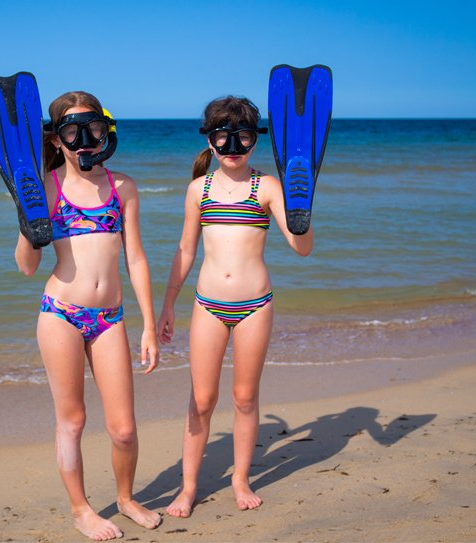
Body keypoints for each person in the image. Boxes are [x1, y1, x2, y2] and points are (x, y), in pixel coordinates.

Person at [15, 91, 162, 540]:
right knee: (73, 421)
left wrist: (148, 325)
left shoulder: (122, 187)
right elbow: (26, 267)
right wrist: (28, 221)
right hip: (60, 313)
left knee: (123, 429)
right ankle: (81, 510)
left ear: (105, 132)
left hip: (110, 319)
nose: (84, 142)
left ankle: (125, 498)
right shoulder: (45, 187)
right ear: (55, 139)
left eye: (93, 130)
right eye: (72, 133)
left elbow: (136, 258)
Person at [157, 96, 313, 517]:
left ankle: (240, 479)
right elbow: (185, 250)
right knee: (201, 399)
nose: (232, 148)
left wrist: (303, 210)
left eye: (242, 138)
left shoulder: (268, 187)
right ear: (210, 141)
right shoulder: (199, 189)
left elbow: (302, 248)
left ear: (254, 140)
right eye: (223, 138)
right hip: (208, 306)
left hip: (254, 306)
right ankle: (189, 487)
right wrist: (168, 305)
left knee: (245, 397)